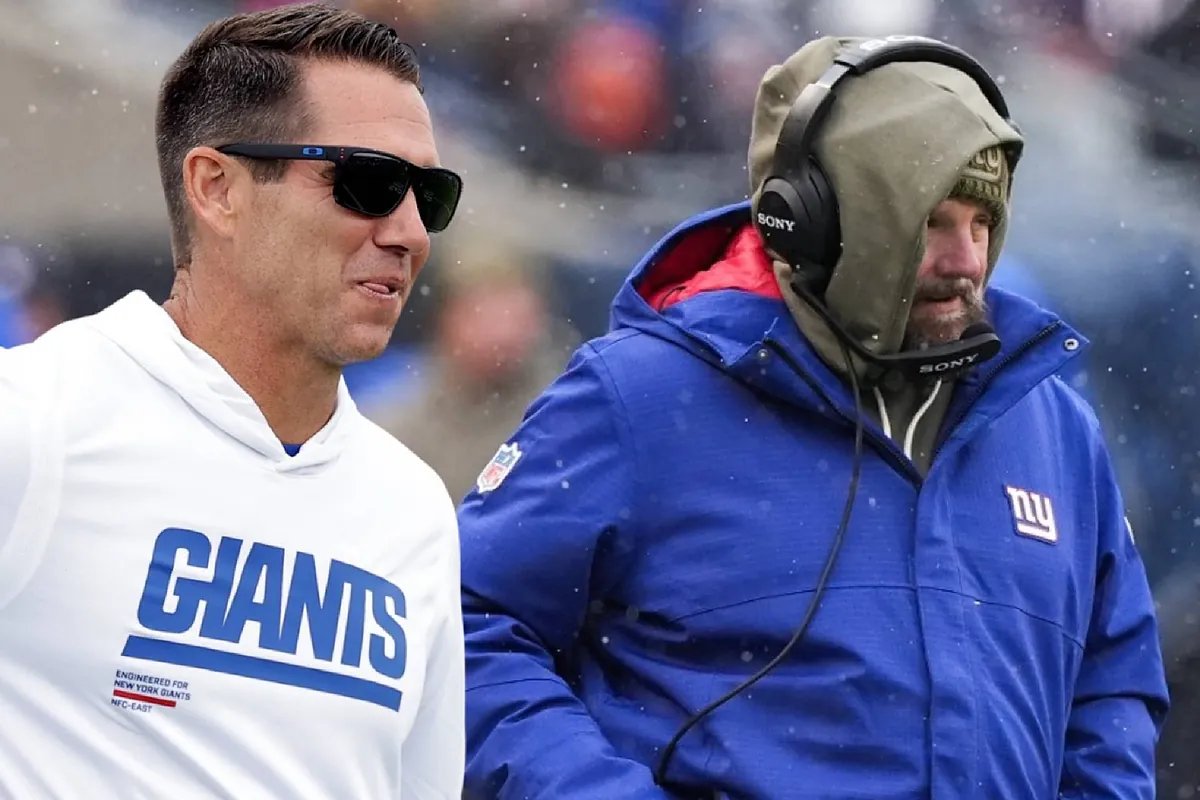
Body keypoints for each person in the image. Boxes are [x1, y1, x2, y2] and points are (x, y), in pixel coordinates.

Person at [457, 35, 1168, 799]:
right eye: (931, 222)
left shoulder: (1055, 430)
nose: (966, 261)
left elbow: (1112, 690)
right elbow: (467, 631)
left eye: (982, 224)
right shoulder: (639, 396)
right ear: (811, 220)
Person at [0, 4, 465, 798]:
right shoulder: (38, 417)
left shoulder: (413, 508)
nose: (410, 230)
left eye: (430, 192)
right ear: (217, 188)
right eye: (370, 183)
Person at [373, 237, 572, 501]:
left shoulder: (567, 417)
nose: (502, 331)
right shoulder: (390, 431)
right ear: (447, 318)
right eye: (485, 312)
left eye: (512, 312)